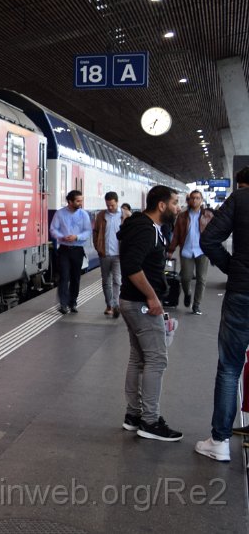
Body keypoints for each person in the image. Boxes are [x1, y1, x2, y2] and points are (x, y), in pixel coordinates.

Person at [117, 184, 181, 441]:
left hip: (131, 301)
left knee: (139, 359)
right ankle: (150, 421)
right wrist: (152, 296)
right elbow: (132, 266)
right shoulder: (146, 229)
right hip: (142, 304)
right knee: (157, 360)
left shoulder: (142, 225)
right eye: (175, 203)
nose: (178, 207)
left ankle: (133, 416)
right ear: (162, 205)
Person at [194, 172, 249, 461]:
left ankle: (220, 442)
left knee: (230, 367)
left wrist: (233, 268)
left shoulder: (240, 199)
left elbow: (209, 239)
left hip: (242, 292)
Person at [168, 190, 213, 315]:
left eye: (197, 198)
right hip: (187, 251)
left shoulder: (208, 216)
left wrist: (214, 250)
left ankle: (197, 305)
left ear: (202, 200)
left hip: (202, 251)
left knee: (201, 279)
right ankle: (187, 293)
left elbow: (214, 234)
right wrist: (171, 250)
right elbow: (176, 234)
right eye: (192, 198)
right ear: (189, 200)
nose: (195, 200)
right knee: (185, 278)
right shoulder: (182, 216)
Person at [50, 190, 92, 314]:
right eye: (78, 201)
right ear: (70, 201)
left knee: (75, 278)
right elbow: (53, 229)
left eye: (81, 200)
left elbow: (88, 231)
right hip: (64, 249)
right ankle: (63, 304)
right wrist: (61, 237)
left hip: (78, 250)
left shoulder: (83, 214)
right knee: (64, 276)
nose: (80, 203)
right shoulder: (60, 214)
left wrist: (77, 237)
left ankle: (72, 302)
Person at [93, 192, 129, 317]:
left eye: (112, 205)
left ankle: (115, 305)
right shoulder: (101, 216)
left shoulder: (126, 215)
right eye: (108, 205)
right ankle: (109, 304)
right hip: (105, 253)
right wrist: (98, 247)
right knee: (106, 281)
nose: (110, 208)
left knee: (117, 280)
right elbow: (96, 232)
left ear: (117, 202)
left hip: (119, 254)